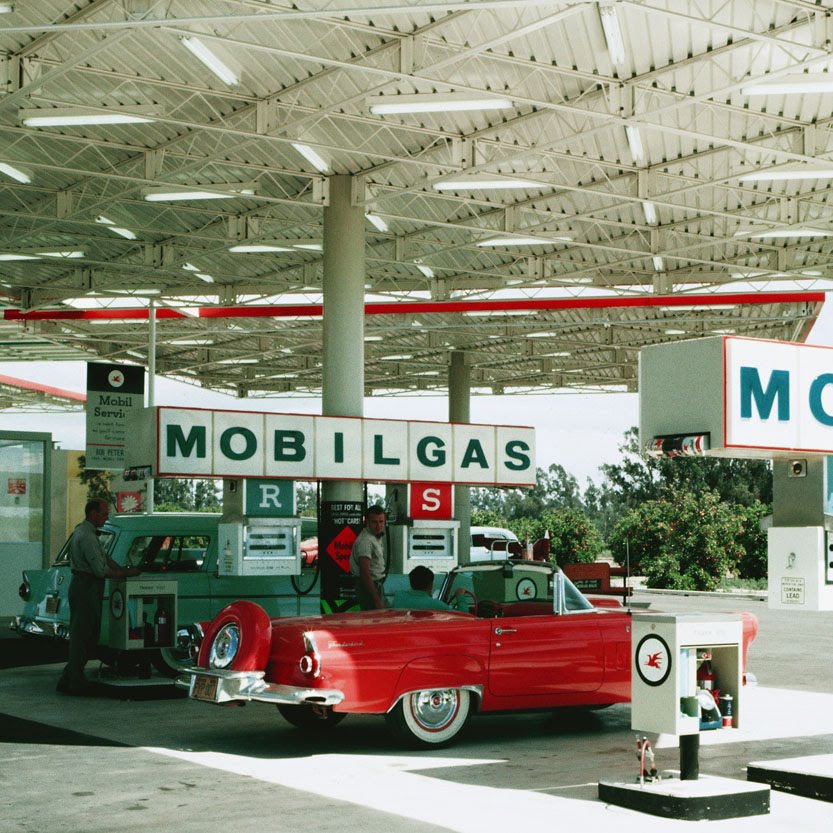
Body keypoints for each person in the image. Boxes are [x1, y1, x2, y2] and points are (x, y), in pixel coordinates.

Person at [57, 498, 140, 695]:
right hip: (86, 586)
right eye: (103, 513)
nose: (106, 516)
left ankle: (70, 676)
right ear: (93, 514)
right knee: (83, 636)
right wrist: (125, 574)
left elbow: (104, 557)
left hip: (86, 586)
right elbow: (100, 569)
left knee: (86, 634)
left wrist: (120, 568)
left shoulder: (86, 532)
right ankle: (75, 680)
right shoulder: (86, 536)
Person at [349, 505, 388, 610]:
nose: (378, 526)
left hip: (375, 584)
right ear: (367, 522)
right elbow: (365, 572)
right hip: (369, 586)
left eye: (381, 522)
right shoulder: (366, 541)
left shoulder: (375, 537)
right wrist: (376, 598)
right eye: (374, 522)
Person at [392, 565, 470, 612]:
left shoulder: (398, 598)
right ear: (430, 585)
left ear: (411, 582)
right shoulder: (436, 605)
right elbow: (464, 616)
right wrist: (460, 597)